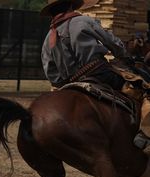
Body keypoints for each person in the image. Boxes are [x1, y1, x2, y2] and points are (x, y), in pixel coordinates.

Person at [40, 0, 150, 152]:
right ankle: (144, 134)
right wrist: (125, 57)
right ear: (71, 5)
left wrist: (64, 83)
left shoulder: (48, 38)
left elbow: (50, 71)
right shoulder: (83, 21)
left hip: (69, 83)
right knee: (144, 88)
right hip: (99, 73)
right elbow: (112, 42)